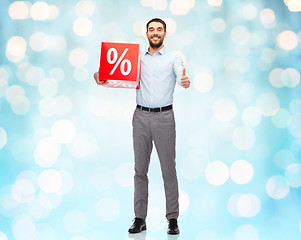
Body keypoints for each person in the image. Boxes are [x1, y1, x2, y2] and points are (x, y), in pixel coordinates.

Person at [94, 18, 190, 235]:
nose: (155, 33)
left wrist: (184, 81)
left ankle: (172, 219)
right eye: (151, 29)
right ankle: (139, 219)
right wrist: (99, 77)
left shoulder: (174, 57)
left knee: (168, 170)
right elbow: (109, 75)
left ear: (165, 33)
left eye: (159, 30)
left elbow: (180, 75)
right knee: (140, 171)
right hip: (140, 117)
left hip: (164, 117)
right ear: (146, 33)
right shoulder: (134, 57)